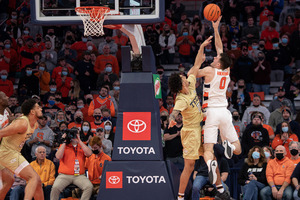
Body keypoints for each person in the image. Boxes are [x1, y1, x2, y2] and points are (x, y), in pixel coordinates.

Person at [194, 16, 241, 197]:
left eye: (215, 58)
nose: (214, 57)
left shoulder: (209, 70)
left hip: (211, 112)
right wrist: (216, 28)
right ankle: (227, 145)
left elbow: (193, 73)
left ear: (219, 63)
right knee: (238, 149)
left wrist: (200, 53)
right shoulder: (226, 70)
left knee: (207, 151)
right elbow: (220, 48)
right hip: (225, 111)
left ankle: (211, 163)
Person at [168, 36, 211, 200]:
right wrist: (172, 118)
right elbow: (174, 112)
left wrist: (201, 48)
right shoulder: (181, 99)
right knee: (189, 166)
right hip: (190, 132)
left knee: (209, 155)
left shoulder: (191, 85)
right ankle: (180, 197)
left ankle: (219, 188)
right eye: (182, 77)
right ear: (181, 83)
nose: (184, 76)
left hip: (200, 127)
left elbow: (196, 65)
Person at [0, 99, 44, 200]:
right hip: (7, 152)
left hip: (12, 153)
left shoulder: (35, 124)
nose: (41, 109)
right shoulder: (22, 123)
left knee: (36, 182)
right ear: (32, 112)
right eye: (38, 107)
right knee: (33, 177)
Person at [50, 128, 93, 200]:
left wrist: (79, 141)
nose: (74, 136)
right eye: (73, 134)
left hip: (79, 176)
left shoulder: (82, 145)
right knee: (55, 187)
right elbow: (58, 156)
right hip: (64, 175)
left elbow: (89, 153)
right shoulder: (64, 145)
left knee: (89, 187)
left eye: (76, 134)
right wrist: (64, 141)